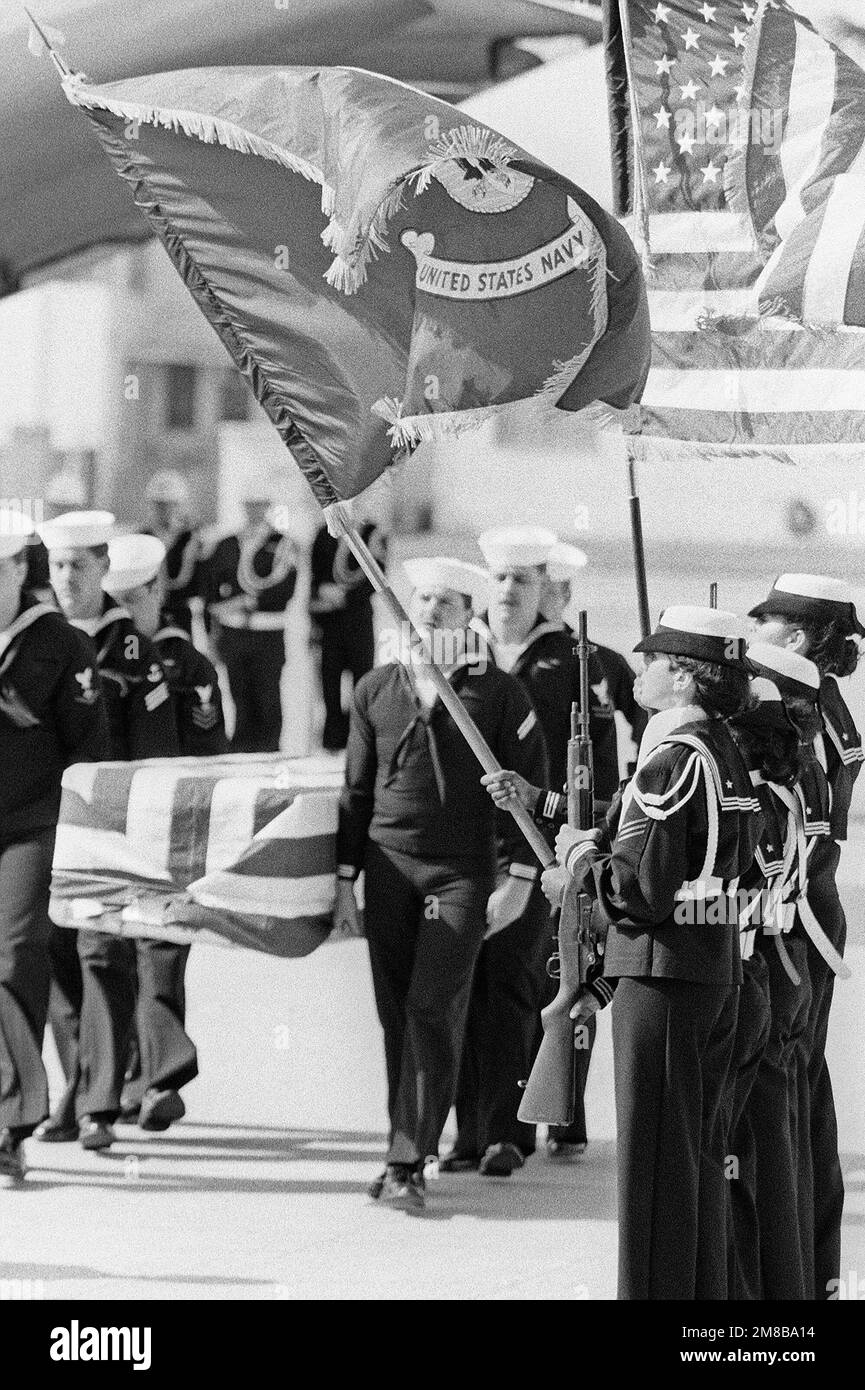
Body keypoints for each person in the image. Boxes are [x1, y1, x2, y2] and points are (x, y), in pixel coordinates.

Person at [543, 606, 762, 1299]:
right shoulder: (721, 750)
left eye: (654, 661)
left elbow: (641, 888)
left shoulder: (669, 761)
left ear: (684, 678)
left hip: (661, 976)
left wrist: (579, 862)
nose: (640, 672)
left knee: (653, 1169)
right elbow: (742, 871)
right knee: (691, 1160)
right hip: (710, 965)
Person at [336, 556, 549, 1210]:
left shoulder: (500, 694)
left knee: (433, 1005)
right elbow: (355, 791)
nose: (429, 610)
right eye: (421, 598)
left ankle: (405, 1161)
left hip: (460, 874)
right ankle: (412, 1140)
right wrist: (344, 883)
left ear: (469, 615)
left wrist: (518, 878)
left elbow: (525, 787)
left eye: (446, 602)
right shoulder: (377, 687)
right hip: (387, 868)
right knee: (395, 1012)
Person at [446, 527, 618, 1176]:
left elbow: (597, 767)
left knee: (554, 978)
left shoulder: (572, 663)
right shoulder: (468, 657)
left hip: (550, 849)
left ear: (546, 591)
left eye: (522, 581)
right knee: (484, 988)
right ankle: (488, 1125)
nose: (508, 592)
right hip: (474, 846)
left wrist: (584, 844)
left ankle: (552, 1116)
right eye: (499, 580)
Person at [34, 512, 180, 1151]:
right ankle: (80, 1086)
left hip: (108, 825)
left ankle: (96, 1102)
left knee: (101, 953)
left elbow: (153, 746)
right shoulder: (36, 639)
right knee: (53, 959)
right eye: (59, 566)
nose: (68, 579)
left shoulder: (131, 650)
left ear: (102, 569)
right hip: (41, 822)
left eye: (80, 566)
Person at [748, 574, 863, 1298]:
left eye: (759, 624)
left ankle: (779, 1279)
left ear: (793, 638)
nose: (746, 633)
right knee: (800, 1098)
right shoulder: (829, 710)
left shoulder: (786, 713)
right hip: (812, 921)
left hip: (783, 925)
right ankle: (812, 1271)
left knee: (775, 1107)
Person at [102, 533, 226, 1126]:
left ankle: (159, 1080)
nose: (121, 613)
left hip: (167, 831)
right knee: (106, 958)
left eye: (130, 599)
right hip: (105, 828)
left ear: (157, 589)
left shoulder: (190, 666)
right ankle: (122, 1077)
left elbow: (208, 757)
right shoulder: (96, 653)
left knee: (160, 954)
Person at [0, 512, 109, 1180]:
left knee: (14, 956)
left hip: (30, 827)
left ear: (17, 570)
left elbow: (88, 749)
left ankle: (12, 1122)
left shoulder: (60, 645)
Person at [724, 643, 828, 1300]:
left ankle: (756, 1312)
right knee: (775, 1153)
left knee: (748, 1163)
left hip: (756, 962)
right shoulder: (794, 775)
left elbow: (731, 897)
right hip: (783, 960)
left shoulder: (756, 796)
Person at [201, 475, 298, 752]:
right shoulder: (226, 545)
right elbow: (209, 593)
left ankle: (269, 759)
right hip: (234, 636)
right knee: (240, 702)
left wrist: (245, 602)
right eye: (250, 505)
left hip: (267, 635)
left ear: (267, 506)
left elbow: (284, 591)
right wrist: (213, 636)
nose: (254, 510)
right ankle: (241, 759)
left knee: (267, 703)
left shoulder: (282, 545)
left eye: (260, 504)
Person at [541, 540, 648, 773]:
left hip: (587, 798)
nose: (537, 603)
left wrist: (643, 775)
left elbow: (645, 714)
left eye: (547, 592)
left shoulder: (603, 661)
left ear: (565, 595)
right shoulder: (487, 655)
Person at [309, 518, 385, 750]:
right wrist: (321, 594)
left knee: (361, 686)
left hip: (358, 621)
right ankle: (332, 742)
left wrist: (345, 598)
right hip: (329, 623)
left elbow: (378, 577)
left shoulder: (373, 533)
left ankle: (359, 743)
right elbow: (315, 575)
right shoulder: (325, 532)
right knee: (330, 687)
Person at [143, 470, 203, 635]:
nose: (164, 510)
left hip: (181, 613)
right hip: (149, 611)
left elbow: (201, 580)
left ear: (180, 505)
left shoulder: (190, 538)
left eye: (170, 504)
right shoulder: (142, 537)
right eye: (159, 504)